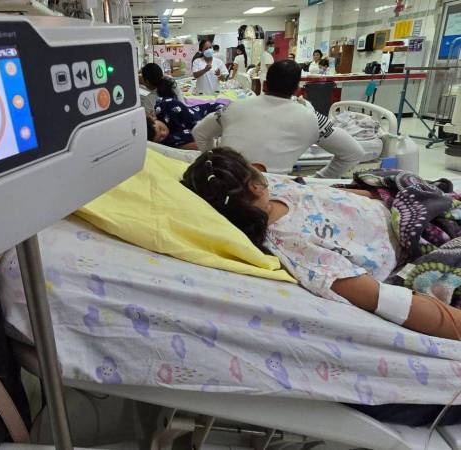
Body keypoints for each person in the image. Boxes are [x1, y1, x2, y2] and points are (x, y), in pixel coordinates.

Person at [181, 147, 461, 341]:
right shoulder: (295, 248)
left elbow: (350, 196)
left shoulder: (280, 190)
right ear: (255, 182)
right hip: (418, 239)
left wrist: (390, 194)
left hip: (405, 207)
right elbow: (383, 299)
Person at [192, 60, 364, 178]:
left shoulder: (233, 108)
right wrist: (319, 178)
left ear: (265, 85)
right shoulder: (312, 119)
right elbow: (354, 153)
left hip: (223, 185)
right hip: (274, 189)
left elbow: (199, 132)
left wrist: (213, 162)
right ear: (297, 91)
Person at [146, 97, 223, 149]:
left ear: (153, 118)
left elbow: (189, 116)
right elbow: (198, 143)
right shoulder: (169, 141)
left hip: (206, 112)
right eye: (160, 138)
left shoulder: (164, 109)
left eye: (160, 128)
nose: (164, 133)